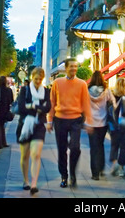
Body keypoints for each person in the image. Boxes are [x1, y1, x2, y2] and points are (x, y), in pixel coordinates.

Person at [46, 58, 93, 188]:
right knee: (62, 150)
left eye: (76, 66)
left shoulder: (82, 84)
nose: (74, 69)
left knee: (75, 148)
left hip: (75, 120)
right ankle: (64, 176)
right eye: (71, 66)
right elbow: (52, 102)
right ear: (66, 68)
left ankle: (72, 174)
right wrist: (49, 120)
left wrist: (89, 121)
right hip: (60, 119)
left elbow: (86, 103)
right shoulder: (57, 82)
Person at [16, 67, 51, 195]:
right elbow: (21, 108)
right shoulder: (25, 90)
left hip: (39, 125)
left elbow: (48, 107)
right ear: (32, 77)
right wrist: (36, 107)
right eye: (36, 79)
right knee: (25, 155)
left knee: (36, 154)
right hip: (24, 125)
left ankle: (34, 184)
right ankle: (26, 181)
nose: (38, 81)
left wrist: (31, 106)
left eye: (40, 79)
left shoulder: (46, 91)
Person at [86, 70, 116, 180]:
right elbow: (113, 102)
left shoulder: (87, 90)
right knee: (100, 145)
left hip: (91, 122)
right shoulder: (106, 91)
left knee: (93, 148)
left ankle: (95, 173)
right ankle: (101, 168)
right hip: (103, 122)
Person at [109, 78, 125, 178]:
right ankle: (121, 168)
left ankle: (114, 165)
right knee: (124, 147)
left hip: (116, 125)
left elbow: (112, 110)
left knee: (115, 145)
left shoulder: (115, 97)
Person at [0, 76, 14, 149]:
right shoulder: (9, 90)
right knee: (2, 126)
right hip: (6, 110)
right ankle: (3, 142)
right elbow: (11, 100)